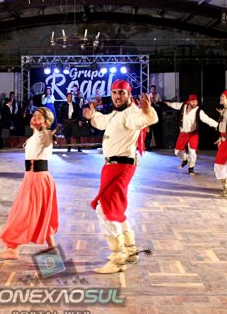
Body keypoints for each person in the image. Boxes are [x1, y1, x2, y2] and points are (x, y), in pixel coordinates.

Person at [83, 80, 158, 274]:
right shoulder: (117, 113)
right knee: (115, 208)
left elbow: (146, 119)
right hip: (112, 166)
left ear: (128, 94)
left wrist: (147, 111)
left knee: (104, 208)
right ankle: (130, 250)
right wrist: (92, 115)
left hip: (121, 166)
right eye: (115, 92)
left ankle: (118, 257)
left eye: (121, 93)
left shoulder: (132, 113)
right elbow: (103, 121)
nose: (117, 96)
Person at [0, 107, 58, 259]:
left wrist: (47, 130)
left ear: (46, 122)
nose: (34, 118)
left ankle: (13, 248)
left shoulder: (45, 135)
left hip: (38, 179)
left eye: (39, 117)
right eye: (34, 115)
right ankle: (52, 246)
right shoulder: (33, 137)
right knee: (40, 213)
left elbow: (46, 138)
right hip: (31, 178)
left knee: (23, 213)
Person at [164, 94, 218, 176]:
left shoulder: (198, 111)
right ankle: (185, 159)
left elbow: (207, 120)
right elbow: (175, 105)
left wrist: (218, 125)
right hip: (183, 133)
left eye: (196, 101)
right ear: (189, 101)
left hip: (193, 134)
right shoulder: (183, 106)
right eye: (193, 102)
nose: (195, 103)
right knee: (177, 152)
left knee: (192, 151)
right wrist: (169, 104)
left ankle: (191, 168)